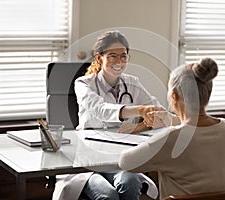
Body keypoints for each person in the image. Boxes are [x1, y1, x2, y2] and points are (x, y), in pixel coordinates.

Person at [53, 30, 162, 200]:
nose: (119, 62)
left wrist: (138, 126)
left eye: (123, 56)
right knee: (108, 195)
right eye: (112, 56)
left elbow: (160, 113)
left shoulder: (132, 83)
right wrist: (139, 110)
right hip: (88, 162)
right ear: (99, 58)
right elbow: (101, 110)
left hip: (119, 159)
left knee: (131, 183)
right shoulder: (83, 84)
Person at [119, 58, 225, 199]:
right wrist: (171, 119)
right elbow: (195, 126)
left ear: (174, 96)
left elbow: (126, 162)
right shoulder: (224, 127)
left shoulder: (170, 138)